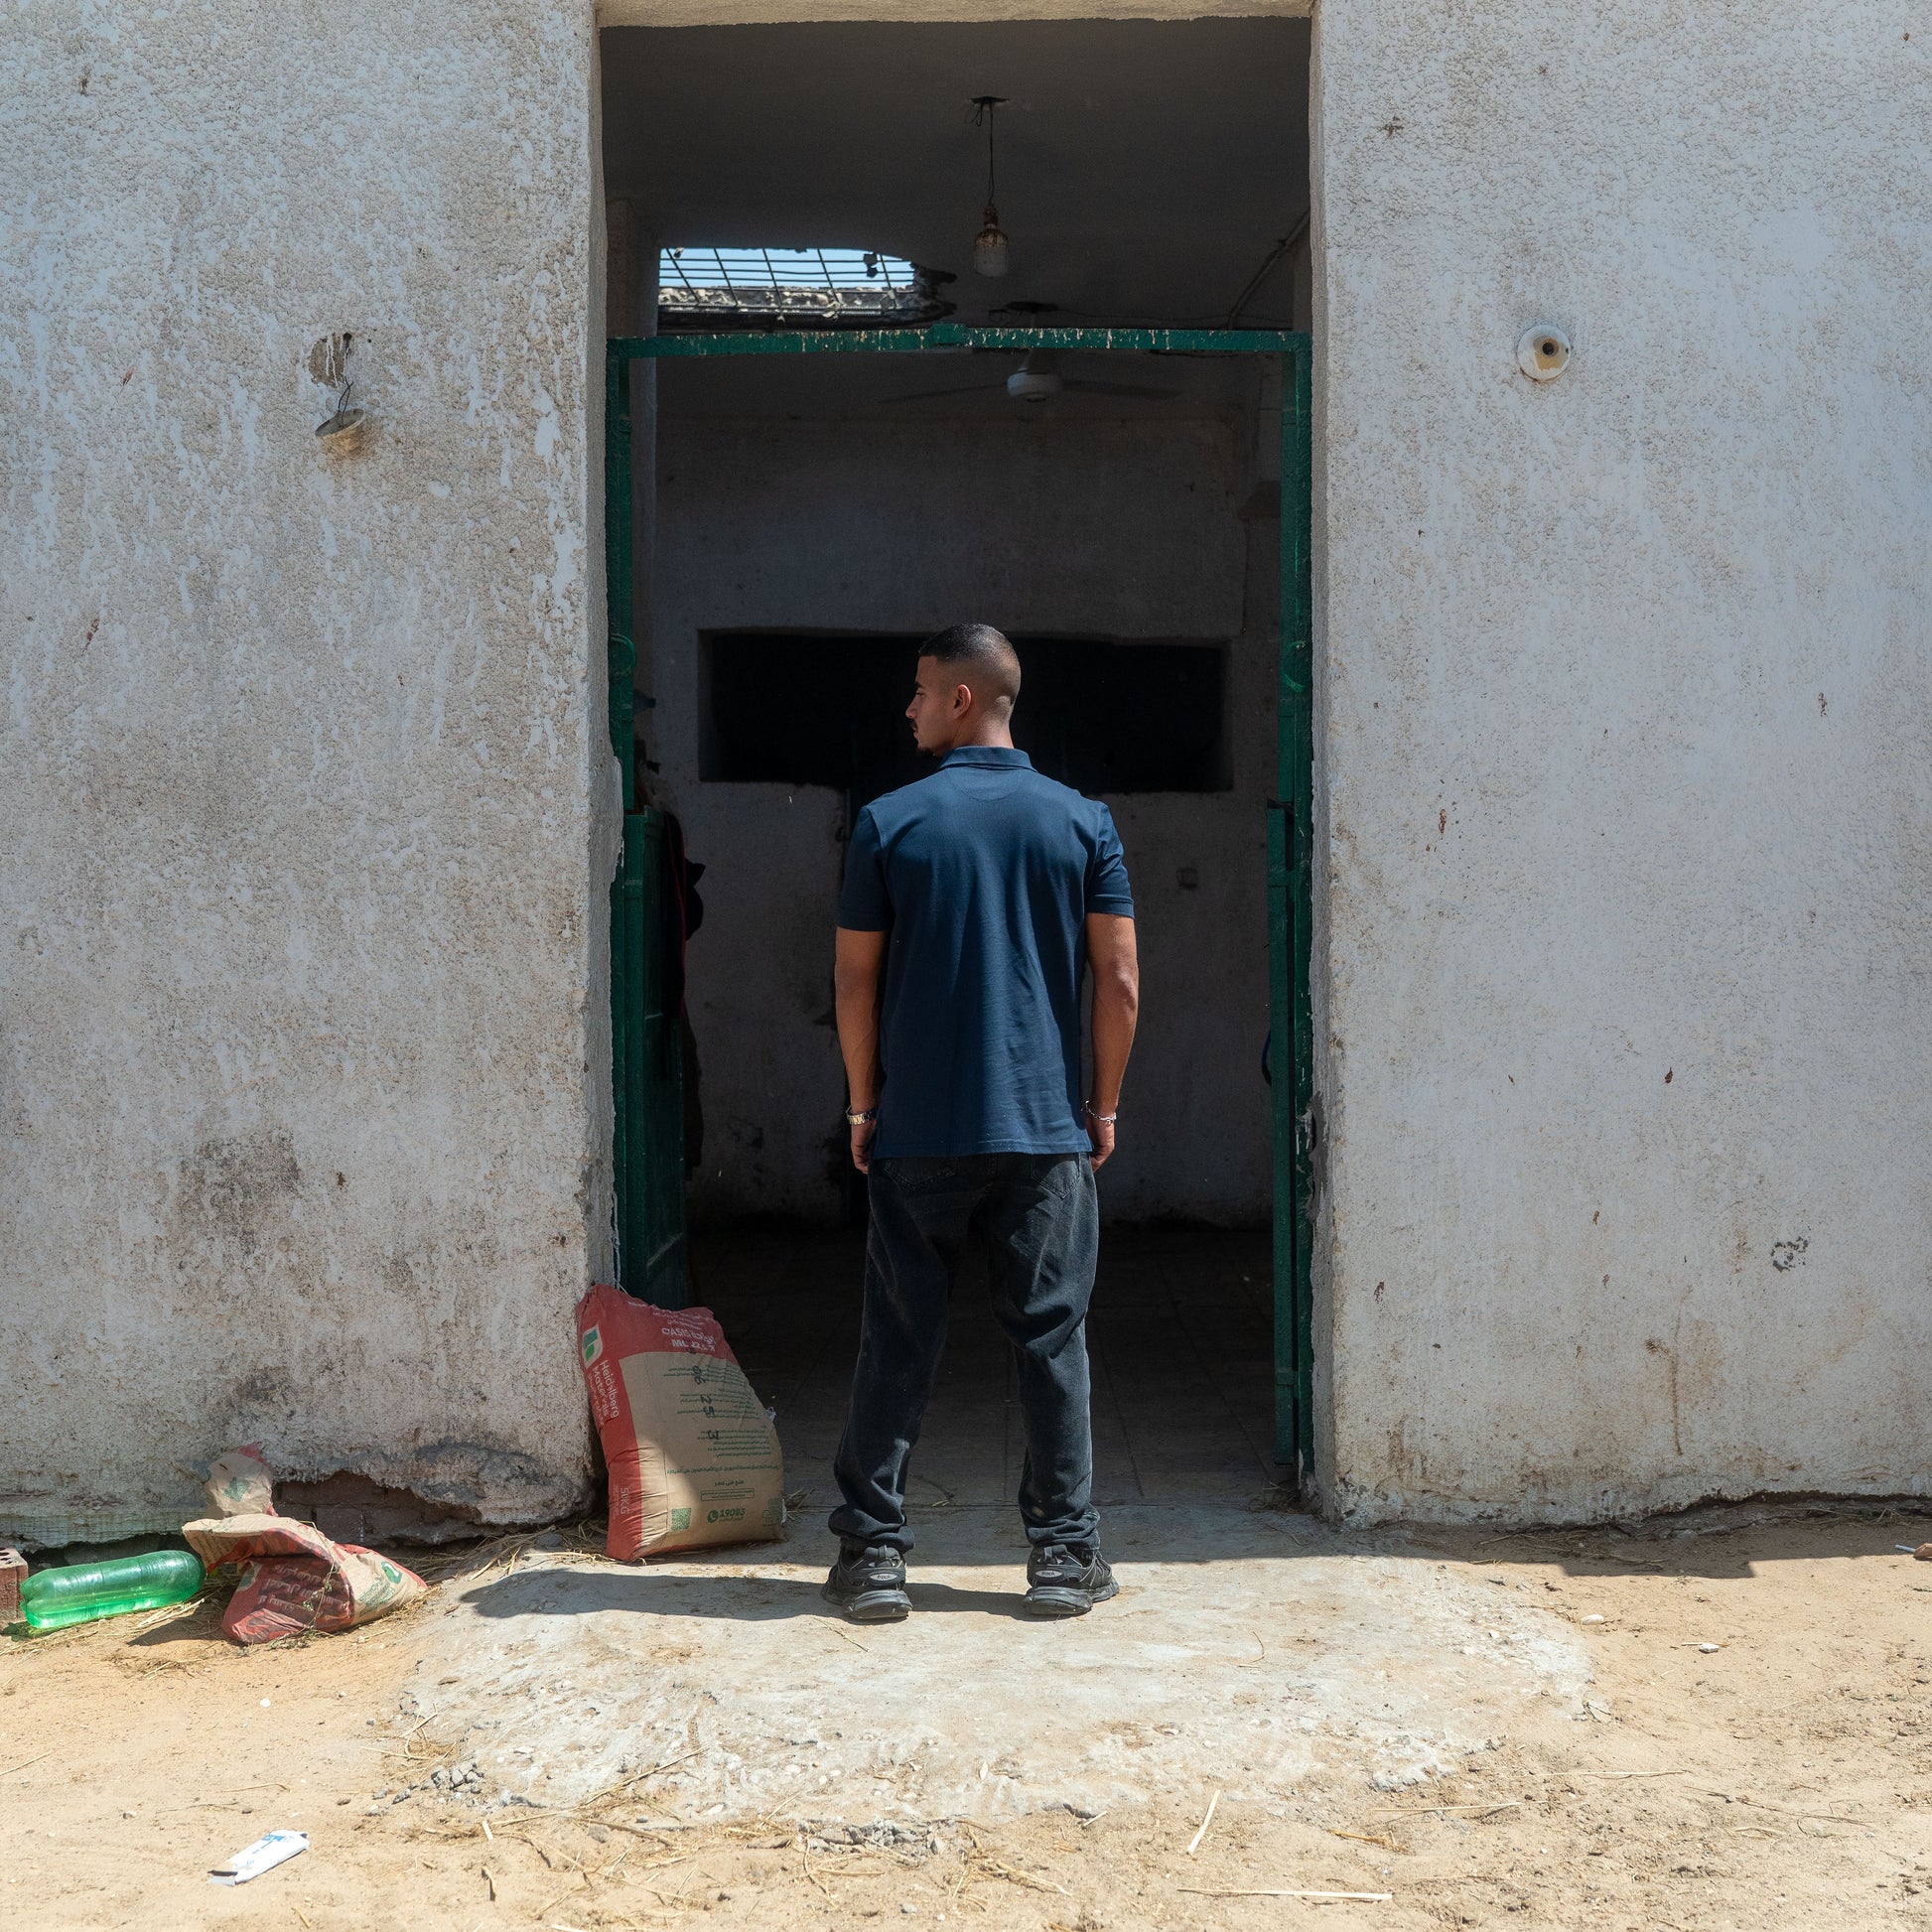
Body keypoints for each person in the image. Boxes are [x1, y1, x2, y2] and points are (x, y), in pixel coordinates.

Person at [823, 623, 1140, 1622]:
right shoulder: (1082, 822)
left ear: (963, 698)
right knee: (1051, 1339)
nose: (905, 708)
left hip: (918, 1126)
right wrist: (1101, 1105)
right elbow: (1120, 979)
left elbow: (853, 978)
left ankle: (873, 1556)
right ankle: (1061, 1555)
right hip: (1045, 1131)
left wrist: (864, 1101)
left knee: (897, 1339)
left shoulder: (886, 823)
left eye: (918, 690)